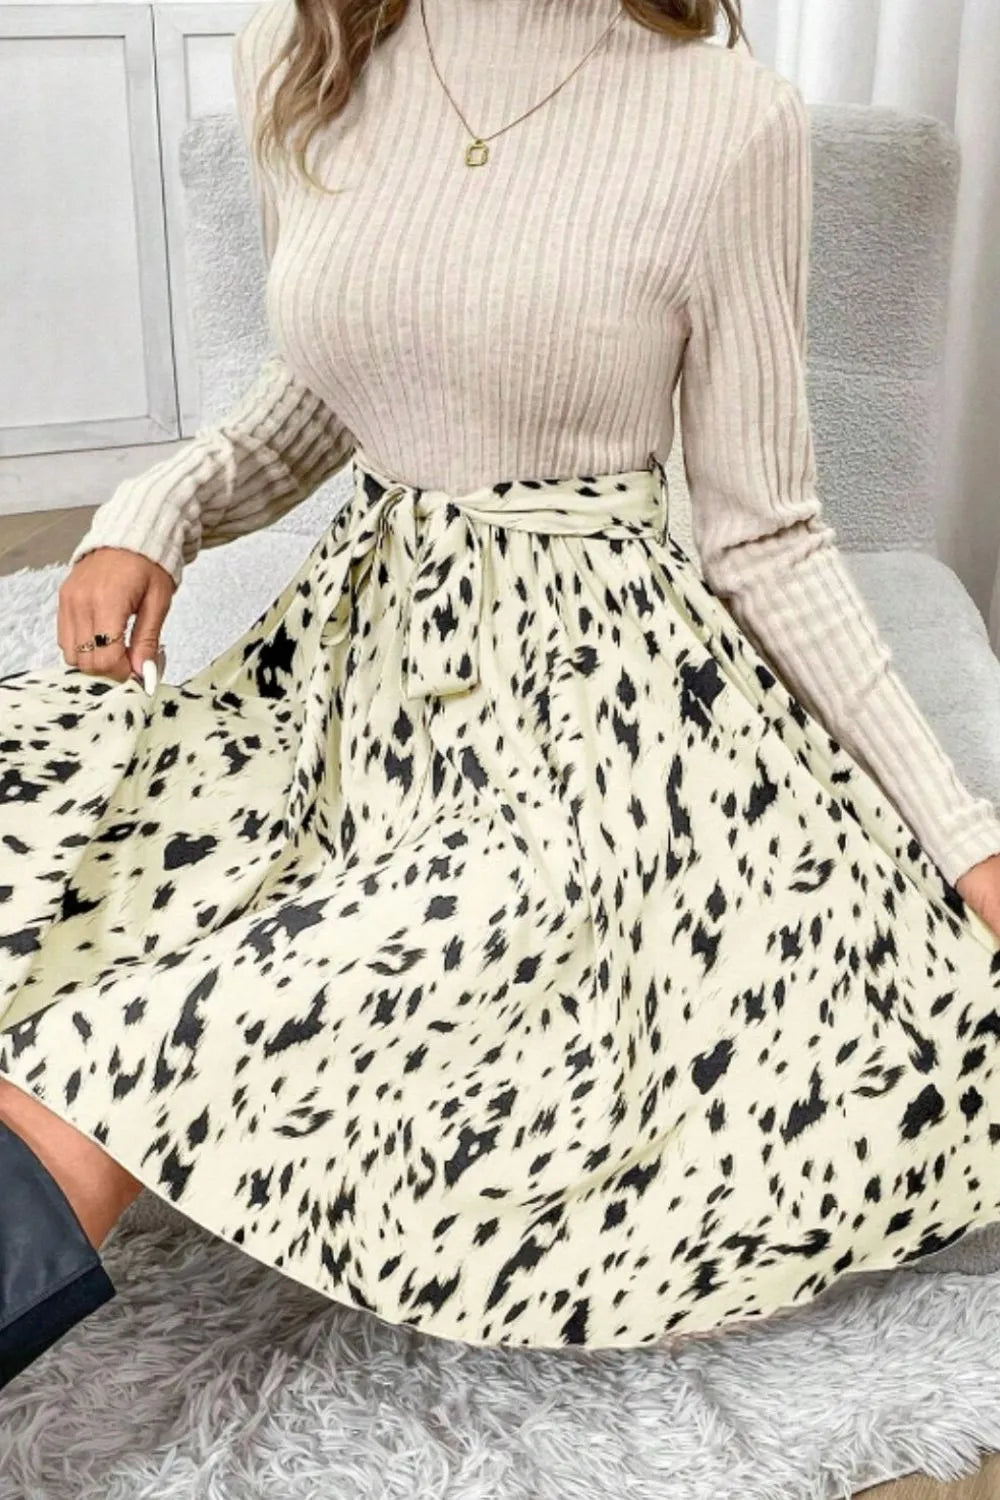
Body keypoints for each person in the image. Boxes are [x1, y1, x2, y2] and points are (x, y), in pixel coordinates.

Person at [3, 0, 1000, 1391]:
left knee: (152, 1041)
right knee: (54, 843)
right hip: (357, 670)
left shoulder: (725, 120)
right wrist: (159, 509)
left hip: (602, 703)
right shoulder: (302, 54)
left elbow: (767, 533)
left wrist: (965, 838)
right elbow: (340, 380)